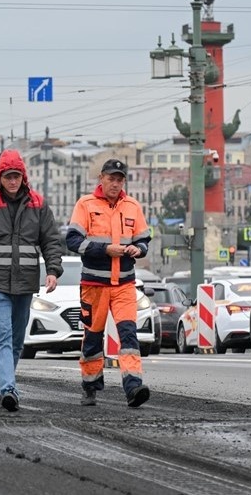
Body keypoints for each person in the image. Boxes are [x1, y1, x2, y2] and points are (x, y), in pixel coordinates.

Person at [0, 149, 65, 412]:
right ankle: (8, 389)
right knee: (3, 335)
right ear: (0, 177)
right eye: (8, 177)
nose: (13, 181)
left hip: (25, 282)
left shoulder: (38, 204)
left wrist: (53, 270)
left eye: (16, 176)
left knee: (18, 339)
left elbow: (51, 240)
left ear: (23, 177)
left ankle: (1, 387)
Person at [66, 158, 151, 408]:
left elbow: (144, 240)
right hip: (94, 286)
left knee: (128, 335)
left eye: (119, 179)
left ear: (124, 181)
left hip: (124, 284)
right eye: (111, 178)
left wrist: (139, 249)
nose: (115, 183)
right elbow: (73, 241)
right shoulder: (86, 204)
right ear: (101, 178)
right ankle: (90, 386)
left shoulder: (133, 206)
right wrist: (106, 250)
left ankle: (133, 387)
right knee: (93, 338)